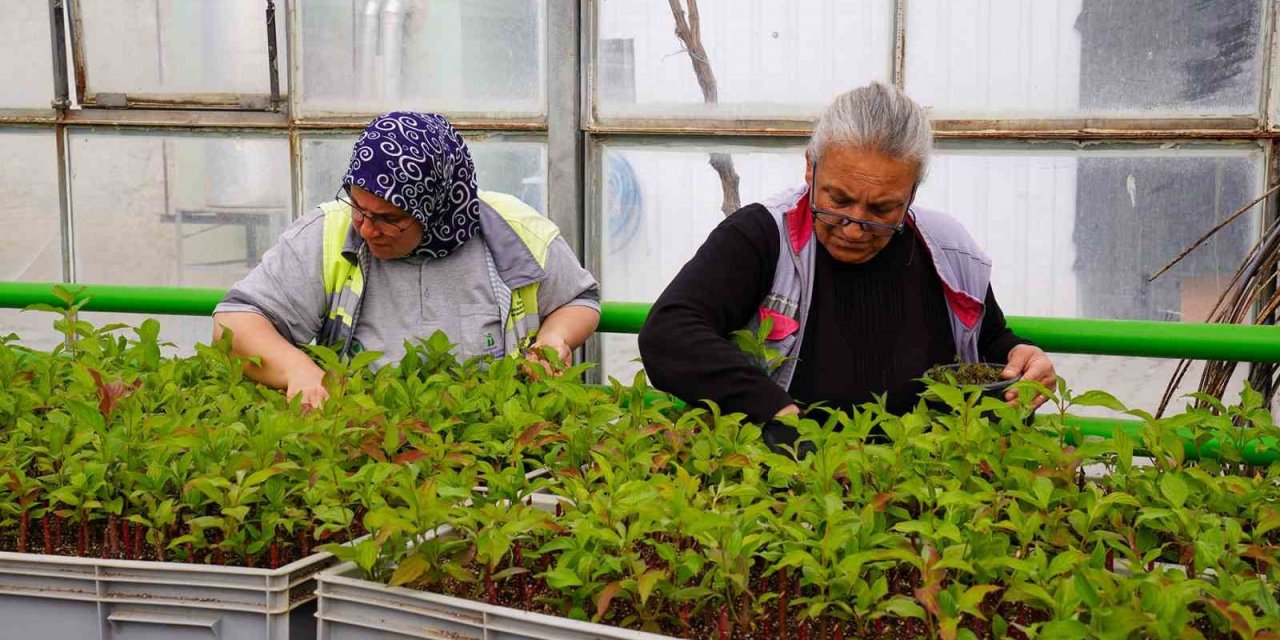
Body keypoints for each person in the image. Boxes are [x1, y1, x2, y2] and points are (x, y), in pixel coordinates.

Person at [638, 83, 1055, 449]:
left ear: (912, 192)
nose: (854, 228)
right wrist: (773, 409)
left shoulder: (948, 250)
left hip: (924, 488)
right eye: (837, 200)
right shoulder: (761, 237)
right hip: (790, 488)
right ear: (809, 166)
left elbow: (989, 340)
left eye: (882, 208)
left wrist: (1022, 357)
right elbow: (670, 332)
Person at [213, 112, 600, 408]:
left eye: (389, 218)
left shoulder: (512, 230)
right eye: (359, 208)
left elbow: (578, 299)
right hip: (361, 439)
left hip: (494, 442)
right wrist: (297, 369)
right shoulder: (326, 232)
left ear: (435, 208)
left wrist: (553, 338)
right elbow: (234, 324)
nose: (366, 229)